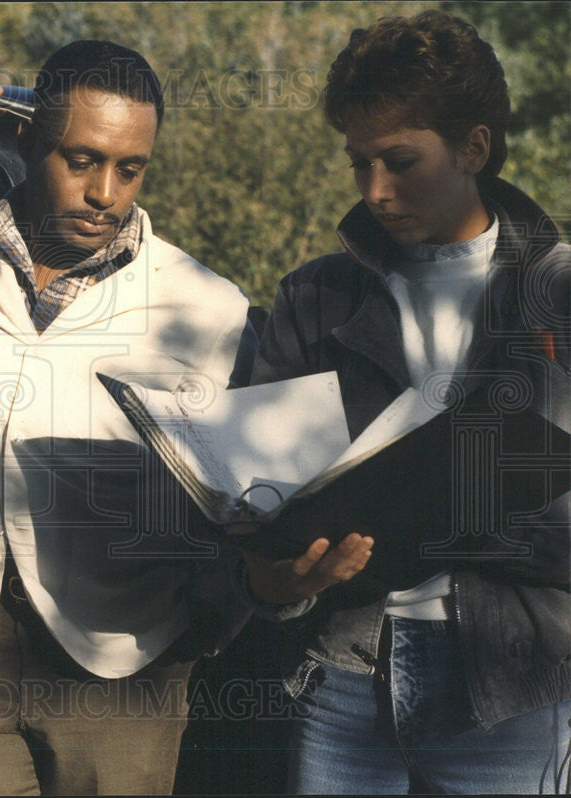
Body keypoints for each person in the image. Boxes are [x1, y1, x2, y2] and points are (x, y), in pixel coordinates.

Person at [0, 40, 371, 796]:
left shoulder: (204, 308)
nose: (105, 192)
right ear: (25, 142)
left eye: (129, 168)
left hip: (125, 668)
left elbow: (267, 485)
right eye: (80, 160)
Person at [244, 10, 571, 794]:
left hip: (516, 682)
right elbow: (259, 497)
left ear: (474, 147)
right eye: (359, 164)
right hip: (346, 667)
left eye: (399, 161)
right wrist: (279, 575)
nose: (377, 192)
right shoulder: (315, 295)